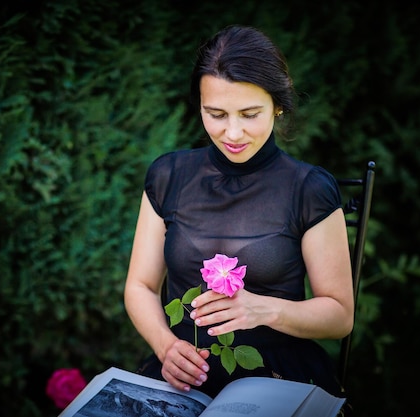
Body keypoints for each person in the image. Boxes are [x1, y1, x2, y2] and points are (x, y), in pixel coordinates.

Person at [123, 24, 354, 406]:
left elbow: (339, 316)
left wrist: (262, 309)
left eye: (250, 114)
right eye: (215, 113)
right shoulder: (168, 176)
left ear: (277, 105)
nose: (232, 132)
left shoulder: (308, 188)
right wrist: (166, 346)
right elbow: (140, 287)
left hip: (278, 373)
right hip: (184, 371)